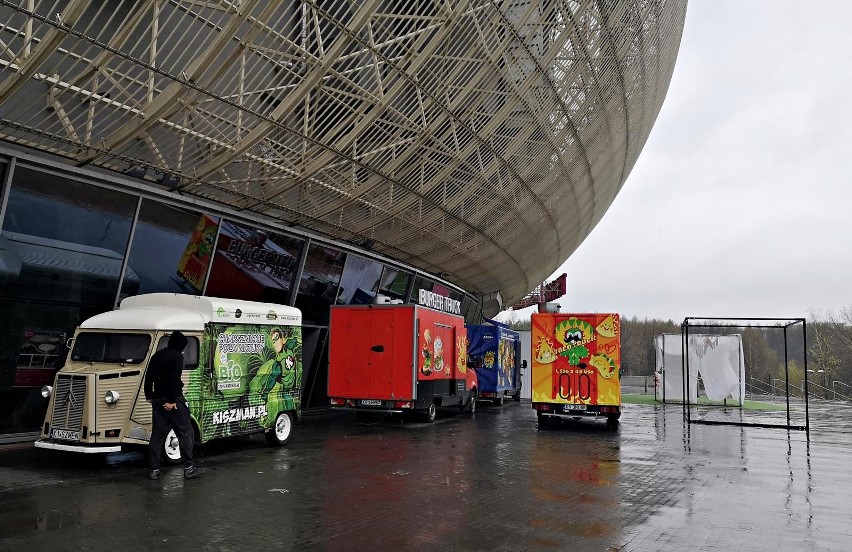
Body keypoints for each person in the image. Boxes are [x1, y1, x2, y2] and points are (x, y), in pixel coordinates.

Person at [143, 330, 204, 480]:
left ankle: (154, 470)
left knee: (157, 436)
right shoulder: (177, 357)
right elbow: (173, 379)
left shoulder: (157, 355)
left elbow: (149, 376)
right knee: (185, 432)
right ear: (179, 345)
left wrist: (149, 395)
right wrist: (170, 401)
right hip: (172, 400)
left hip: (157, 399)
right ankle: (189, 468)